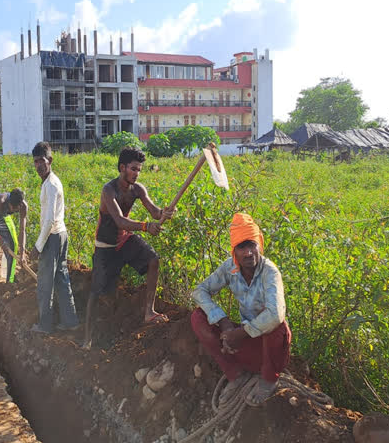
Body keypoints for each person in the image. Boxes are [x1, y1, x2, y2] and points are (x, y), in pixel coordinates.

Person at [190, 213, 291, 405]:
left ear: (259, 244)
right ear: (234, 251)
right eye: (241, 247)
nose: (248, 253)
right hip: (246, 345)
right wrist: (224, 323)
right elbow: (199, 291)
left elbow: (276, 314)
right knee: (198, 317)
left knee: (276, 324)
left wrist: (240, 333)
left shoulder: (270, 272)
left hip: (271, 349)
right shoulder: (230, 268)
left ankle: (269, 380)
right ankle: (236, 375)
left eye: (252, 245)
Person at [82, 147, 175, 349]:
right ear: (122, 167)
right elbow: (120, 221)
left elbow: (154, 212)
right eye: (133, 169)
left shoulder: (138, 189)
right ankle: (87, 338)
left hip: (125, 241)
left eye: (139, 170)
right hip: (105, 247)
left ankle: (149, 312)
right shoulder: (109, 190)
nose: (136, 173)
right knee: (97, 293)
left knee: (153, 260)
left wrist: (165, 212)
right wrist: (145, 227)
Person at [30, 141, 79, 334]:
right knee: (61, 279)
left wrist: (38, 246)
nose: (38, 165)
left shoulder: (50, 185)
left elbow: (49, 220)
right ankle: (70, 321)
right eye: (35, 162)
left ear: (50, 160)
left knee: (44, 284)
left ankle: (44, 326)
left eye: (41, 161)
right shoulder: (52, 181)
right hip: (61, 235)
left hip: (52, 237)